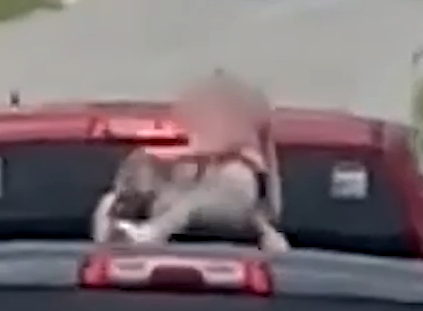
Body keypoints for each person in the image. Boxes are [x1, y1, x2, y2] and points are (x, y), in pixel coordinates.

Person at [91, 70, 289, 254]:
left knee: (228, 183)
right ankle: (113, 242)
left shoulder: (240, 162)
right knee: (110, 202)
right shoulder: (166, 150)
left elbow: (267, 204)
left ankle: (150, 233)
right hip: (156, 217)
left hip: (229, 221)